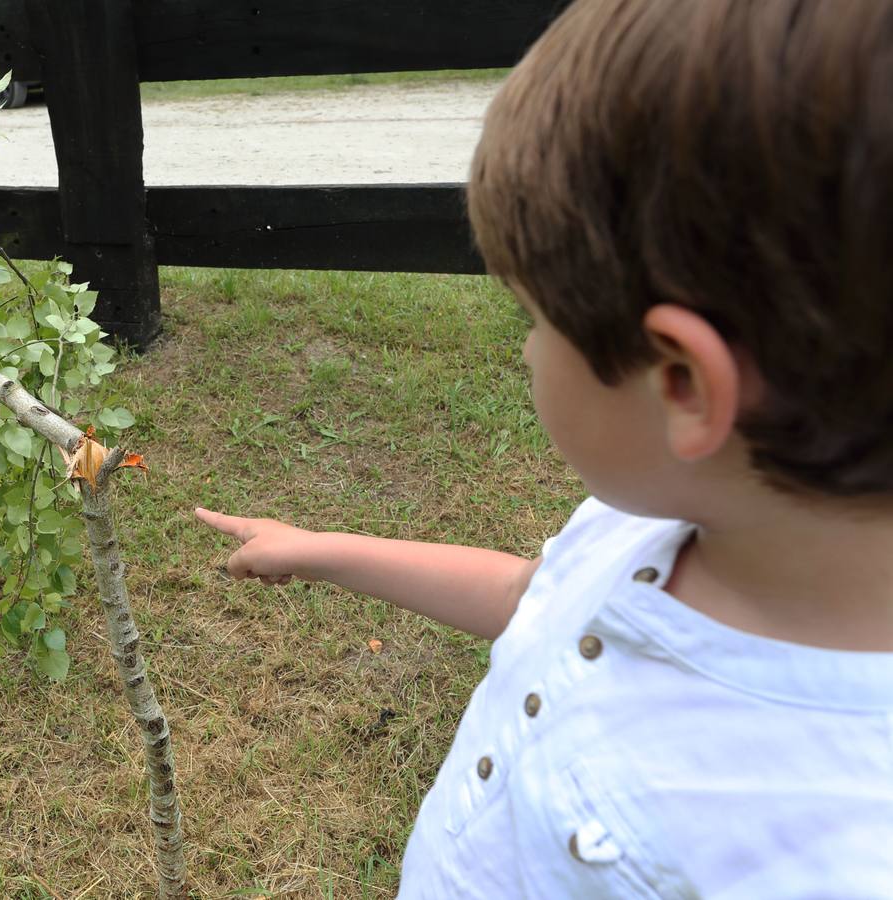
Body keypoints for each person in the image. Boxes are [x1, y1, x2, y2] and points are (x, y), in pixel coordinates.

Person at [195, 0, 893, 895]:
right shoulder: (662, 526)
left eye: (533, 320)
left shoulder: (822, 853)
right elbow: (537, 596)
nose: (525, 350)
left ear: (681, 383)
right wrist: (323, 551)